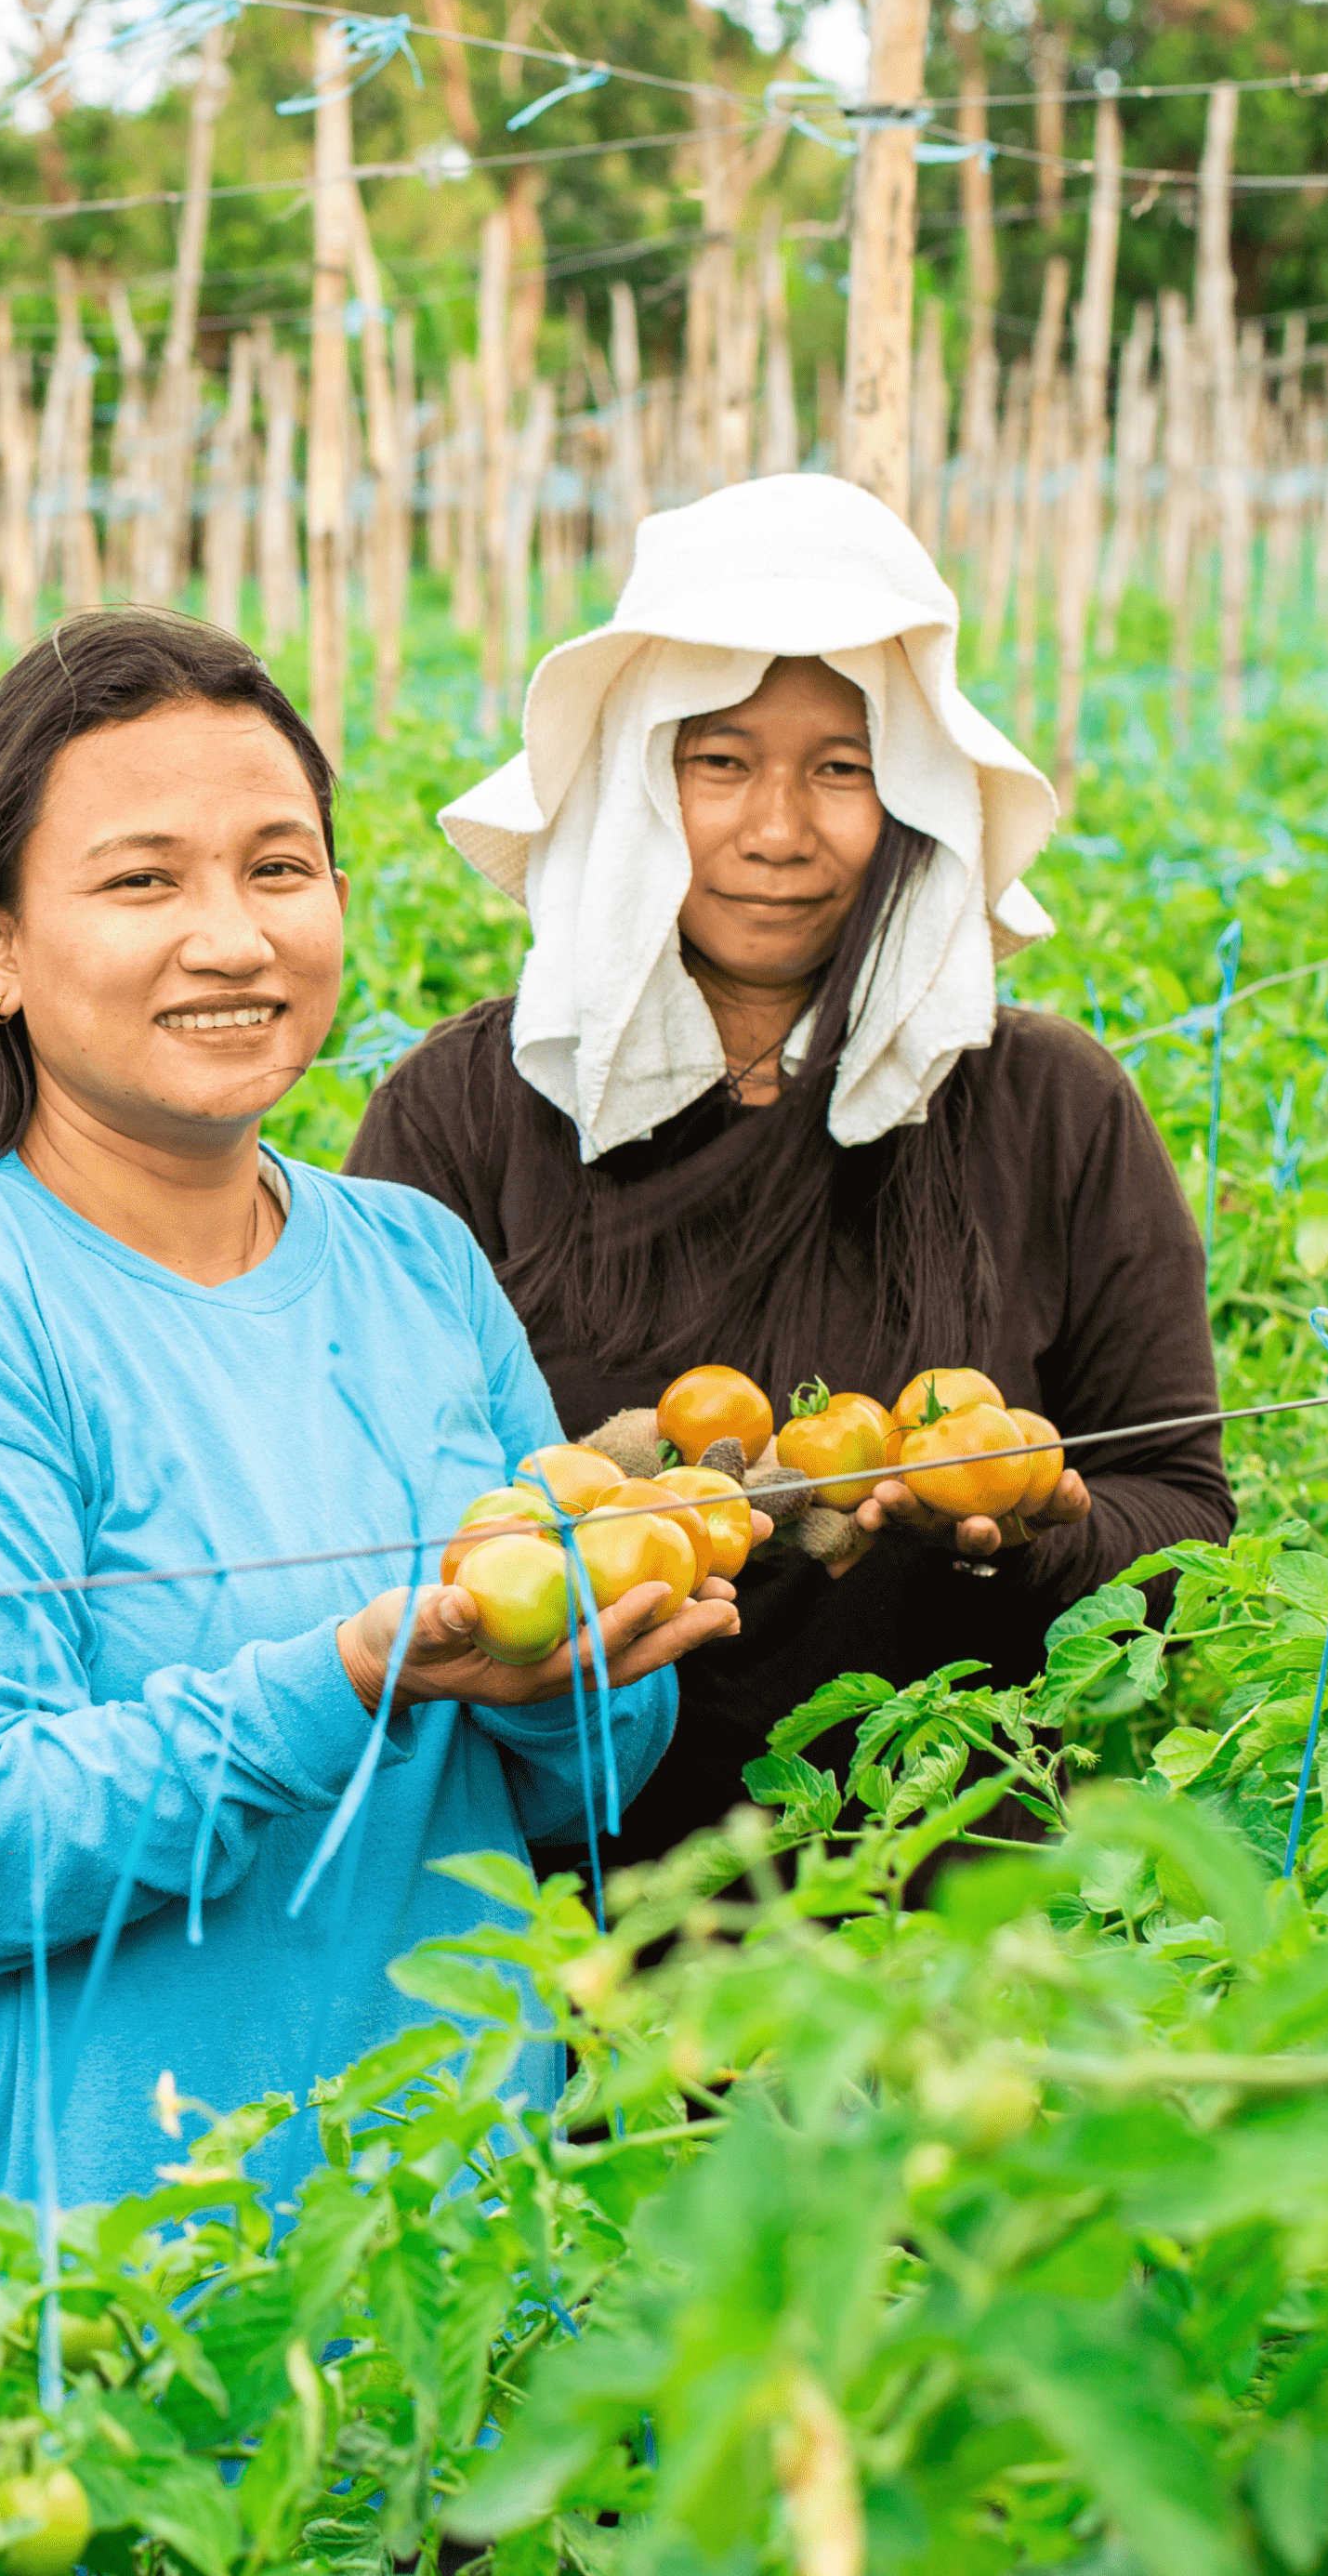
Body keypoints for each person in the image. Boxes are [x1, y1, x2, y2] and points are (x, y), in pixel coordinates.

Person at [0, 609, 736, 2214]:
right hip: (102, 2302)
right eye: (143, 881)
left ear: (340, 904)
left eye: (277, 869)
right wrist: (347, 1678)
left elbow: (578, 1790)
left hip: (456, 2267)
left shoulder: (415, 1263)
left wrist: (563, 1685)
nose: (230, 936)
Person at [343, 474, 1229, 1861]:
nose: (778, 830)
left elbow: (1182, 1518)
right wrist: (564, 1538)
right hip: (555, 1905)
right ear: (640, 781)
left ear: (919, 793)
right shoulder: (470, 1113)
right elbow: (367, 1521)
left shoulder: (1047, 1110)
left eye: (843, 766)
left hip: (953, 1897)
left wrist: (1040, 1525)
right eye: (719, 762)